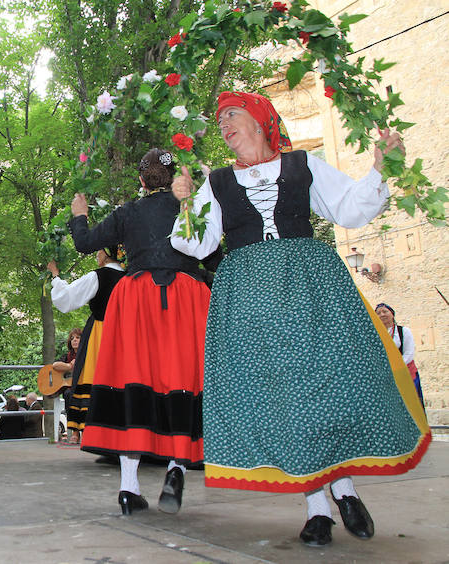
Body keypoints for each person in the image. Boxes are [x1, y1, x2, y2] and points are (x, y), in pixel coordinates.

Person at [170, 91, 430, 547]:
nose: (225, 124)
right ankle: (317, 509)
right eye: (221, 119)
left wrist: (381, 168)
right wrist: (187, 203)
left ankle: (344, 488)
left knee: (333, 382)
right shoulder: (218, 183)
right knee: (283, 397)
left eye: (233, 114)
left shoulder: (302, 166)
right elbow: (196, 245)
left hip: (311, 287)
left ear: (260, 119)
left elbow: (349, 207)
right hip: (250, 295)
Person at [69, 147, 218, 517]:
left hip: (137, 299)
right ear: (174, 179)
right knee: (183, 379)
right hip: (185, 296)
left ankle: (128, 488)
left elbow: (85, 242)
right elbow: (214, 255)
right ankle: (176, 469)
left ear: (141, 179)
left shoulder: (128, 212)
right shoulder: (190, 207)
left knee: (133, 380)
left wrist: (80, 216)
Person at [48, 247, 125, 444]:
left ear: (106, 254)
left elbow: (67, 299)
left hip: (101, 333)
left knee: (93, 378)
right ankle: (119, 436)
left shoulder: (98, 276)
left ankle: (97, 435)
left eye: (99, 252)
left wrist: (55, 276)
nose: (96, 255)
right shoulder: (129, 276)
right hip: (125, 336)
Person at [376, 303, 425, 408]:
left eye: (385, 312)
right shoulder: (376, 335)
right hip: (386, 374)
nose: (382, 315)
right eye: (378, 313)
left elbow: (409, 353)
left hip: (404, 372)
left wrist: (396, 367)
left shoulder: (403, 331)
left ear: (392, 314)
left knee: (410, 403)